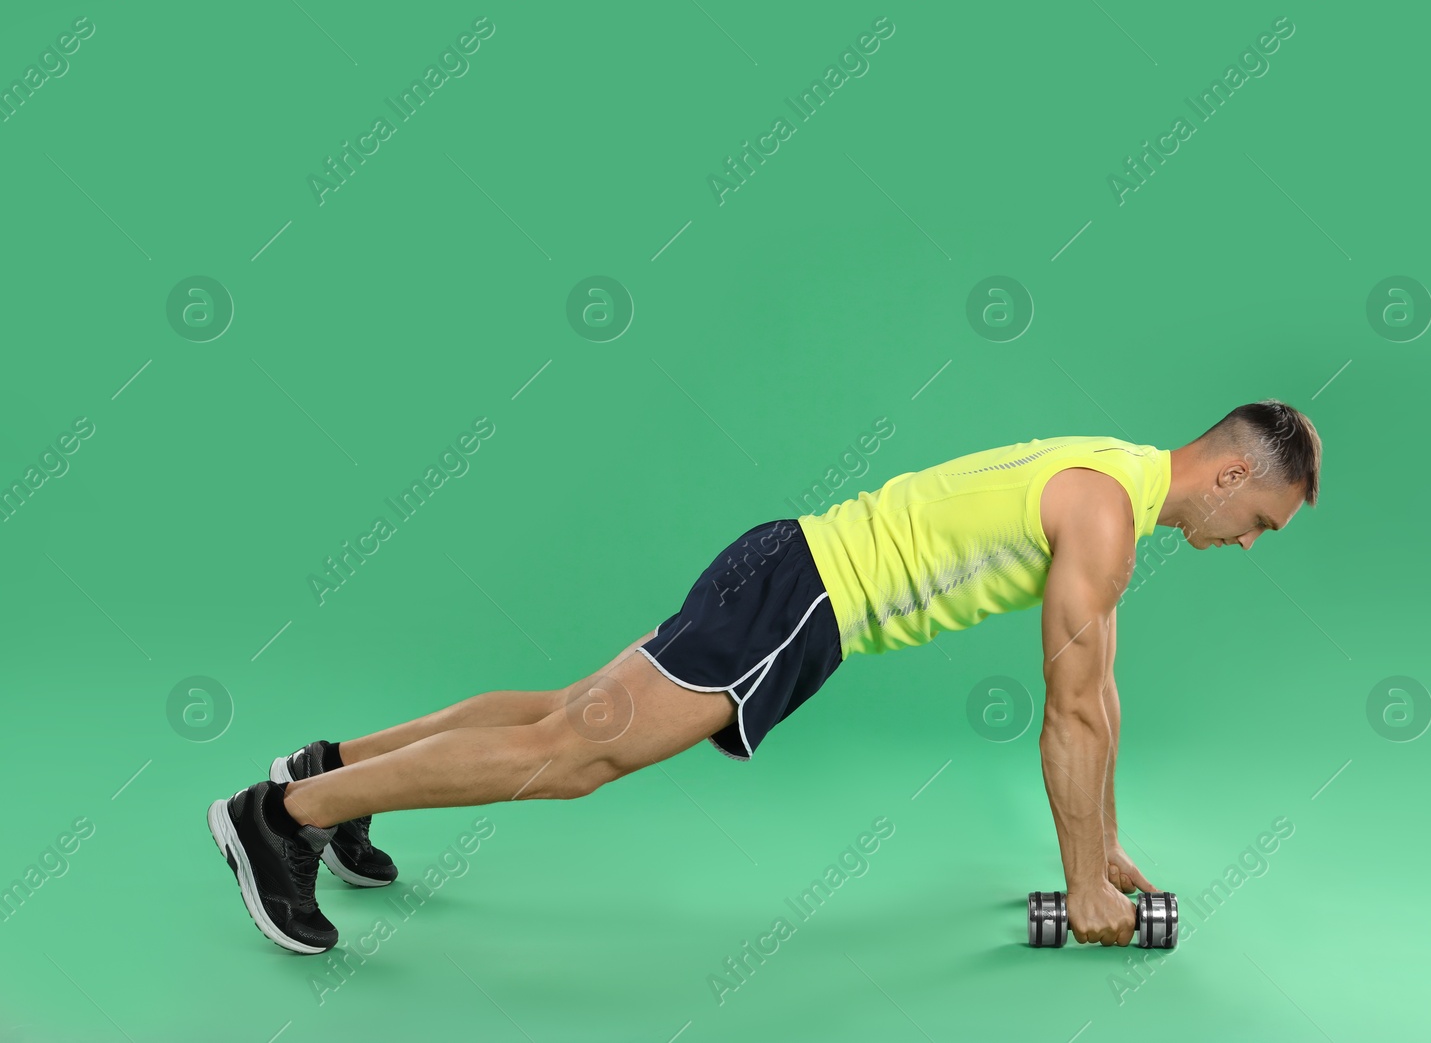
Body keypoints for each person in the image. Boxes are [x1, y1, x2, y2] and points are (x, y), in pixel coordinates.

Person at [207, 399, 1321, 954]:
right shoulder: (1103, 516)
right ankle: (284, 814)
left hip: (783, 560)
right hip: (804, 597)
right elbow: (1071, 707)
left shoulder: (1111, 482)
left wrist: (1102, 850)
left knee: (561, 711)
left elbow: (1102, 698)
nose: (1247, 542)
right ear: (1227, 473)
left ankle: (327, 770)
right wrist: (1081, 893)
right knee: (572, 756)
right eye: (1259, 519)